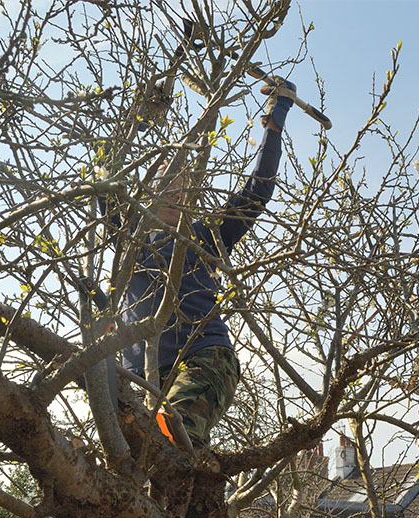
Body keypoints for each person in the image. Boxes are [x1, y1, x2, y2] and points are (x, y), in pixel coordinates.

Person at [106, 77, 296, 450]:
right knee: (126, 459)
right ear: (148, 190)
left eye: (185, 185)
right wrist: (142, 115)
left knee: (172, 438)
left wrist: (276, 120)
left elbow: (257, 191)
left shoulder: (206, 235)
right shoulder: (128, 236)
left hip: (203, 357)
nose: (176, 191)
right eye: (167, 183)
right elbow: (106, 172)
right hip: (139, 377)